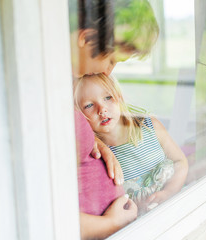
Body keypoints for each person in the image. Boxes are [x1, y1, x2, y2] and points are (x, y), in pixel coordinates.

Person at [69, 0, 160, 238]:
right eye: (112, 60)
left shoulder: (69, 82)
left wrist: (97, 144)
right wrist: (111, 223)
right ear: (86, 39)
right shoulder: (41, 92)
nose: (109, 72)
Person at [74, 73, 189, 215]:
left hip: (176, 204)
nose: (102, 109)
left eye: (107, 97)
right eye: (89, 105)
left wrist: (168, 193)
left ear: (119, 97)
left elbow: (180, 161)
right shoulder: (98, 155)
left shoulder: (150, 126)